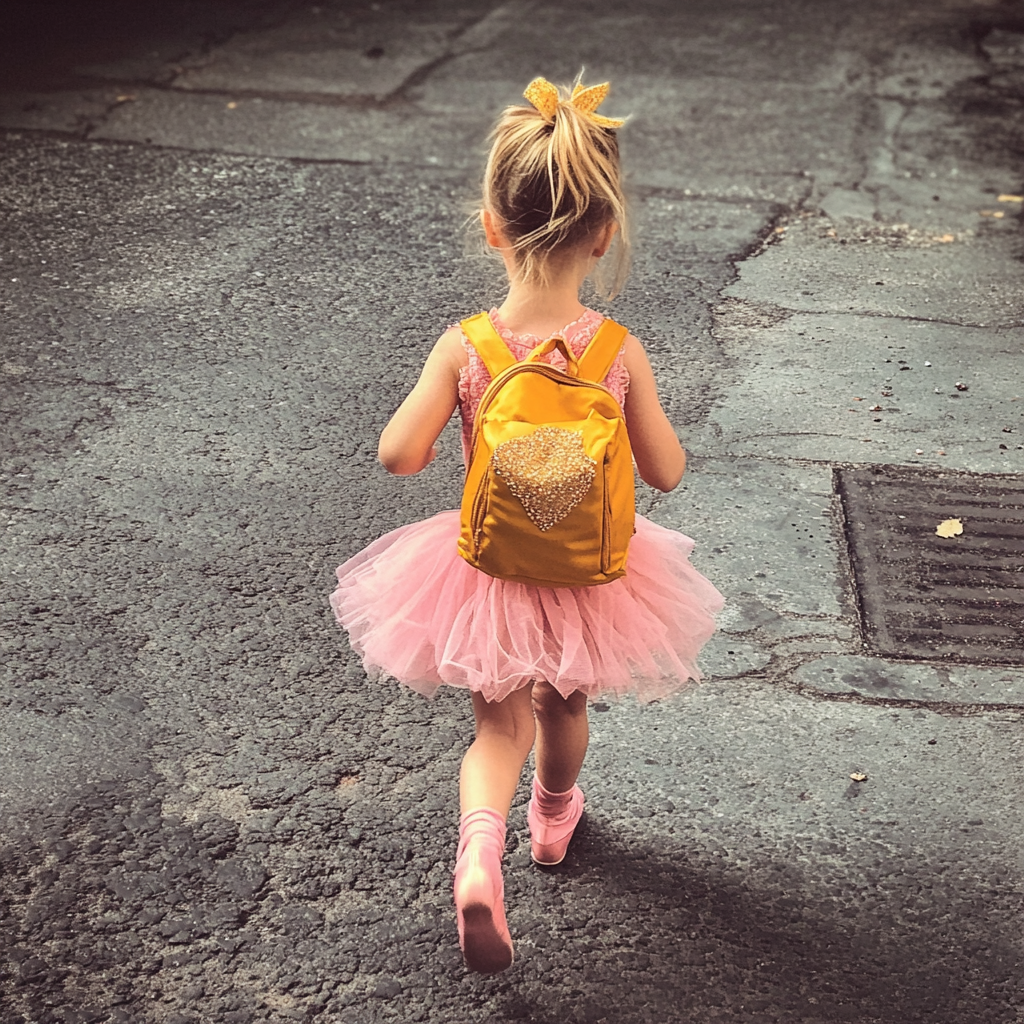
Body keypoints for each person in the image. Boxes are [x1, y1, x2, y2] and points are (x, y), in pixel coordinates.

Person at [330, 75, 724, 974]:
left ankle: (478, 858)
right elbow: (665, 469)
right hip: (589, 571)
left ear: (491, 227)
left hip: (488, 572)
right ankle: (551, 821)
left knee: (493, 729)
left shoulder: (467, 343)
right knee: (565, 699)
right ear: (603, 234)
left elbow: (400, 454)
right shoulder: (620, 351)